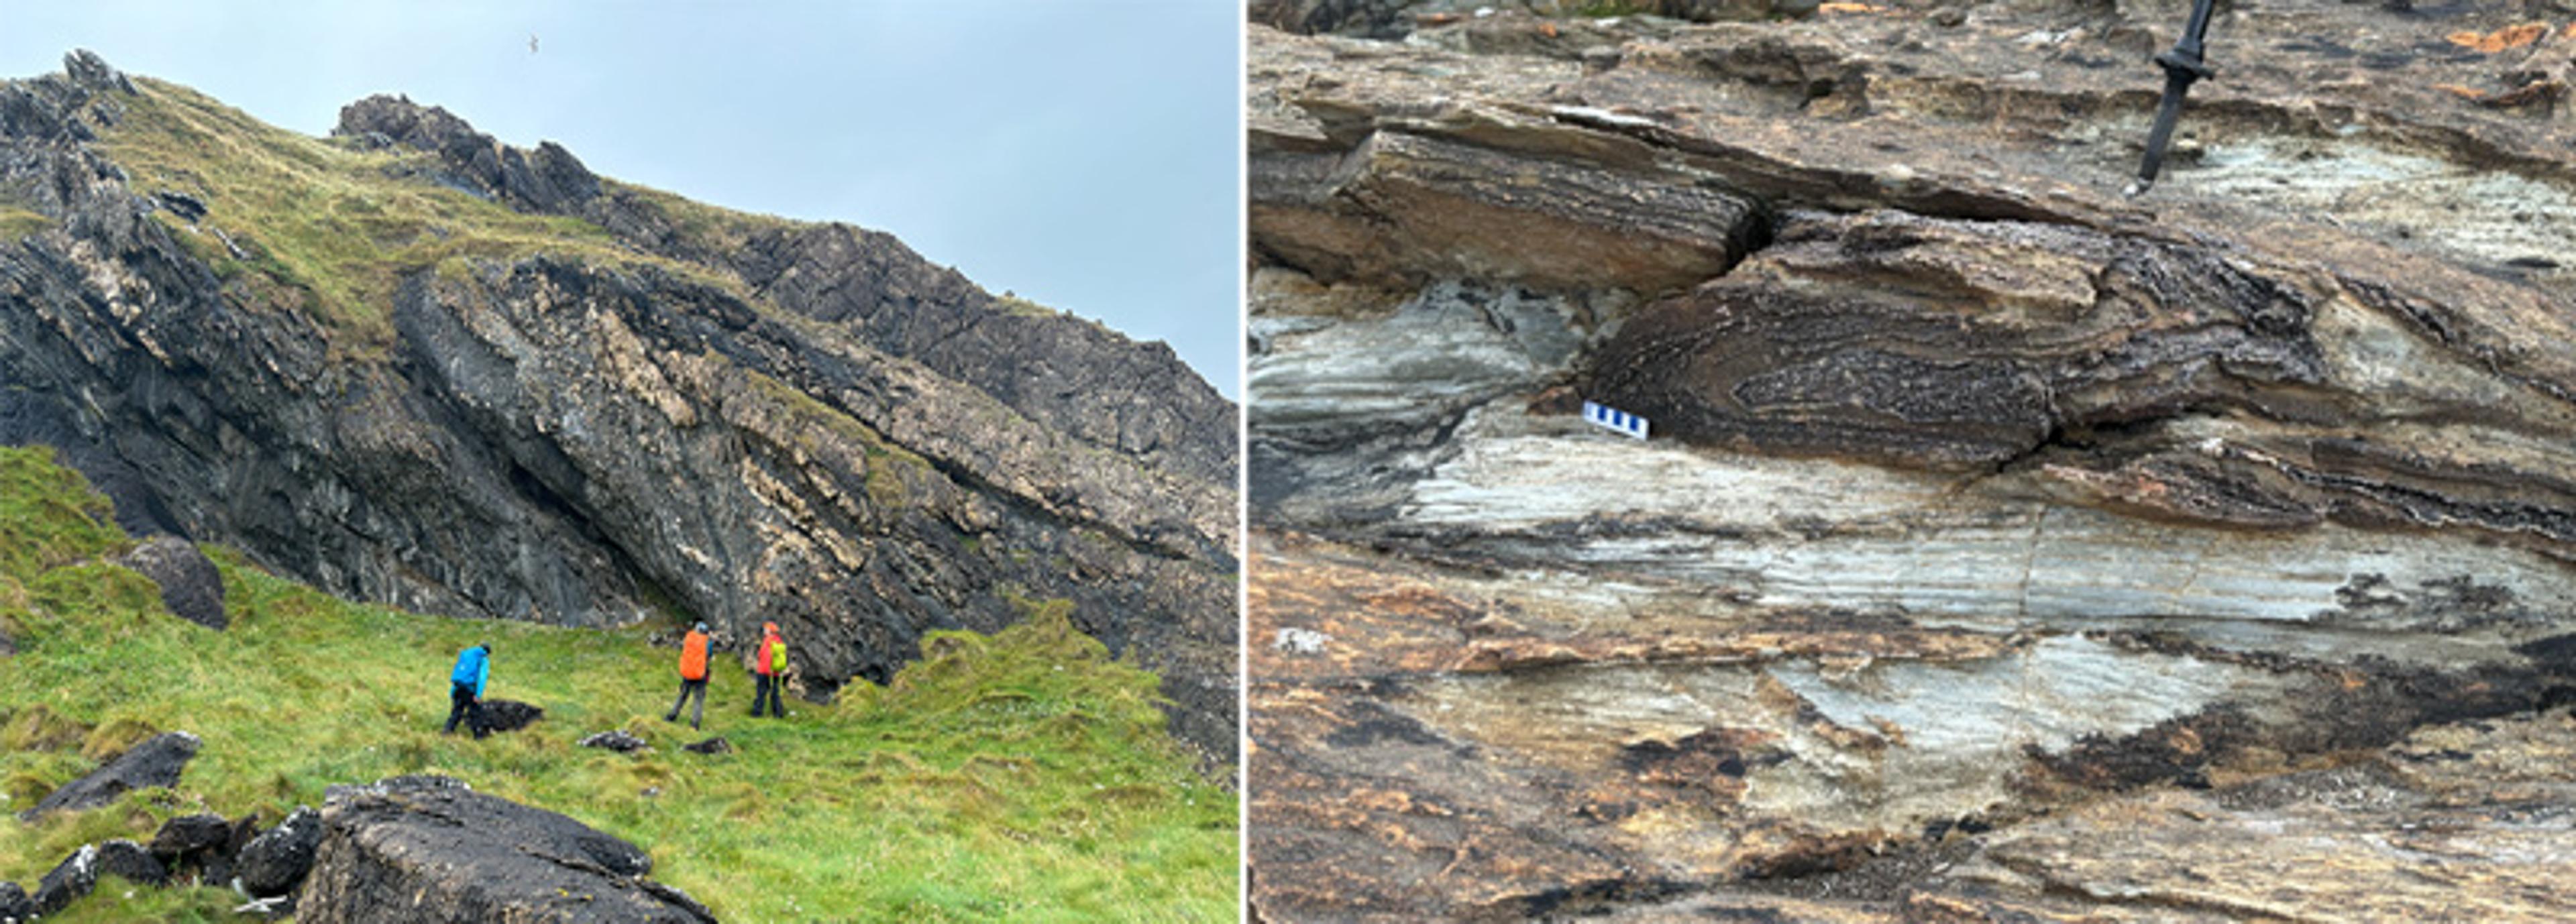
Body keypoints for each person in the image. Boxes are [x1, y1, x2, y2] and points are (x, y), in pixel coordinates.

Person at [665, 622, 711, 730]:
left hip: (687, 673)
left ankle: (672, 716)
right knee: (698, 699)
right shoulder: (707, 643)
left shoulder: (689, 639)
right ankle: (694, 724)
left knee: (682, 695)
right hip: (700, 674)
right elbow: (708, 655)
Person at [444, 642, 491, 739]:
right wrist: (478, 695)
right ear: (488, 653)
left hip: (459, 687)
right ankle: (479, 738)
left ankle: (446, 732)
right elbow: (482, 678)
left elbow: (459, 673)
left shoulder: (466, 654)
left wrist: (453, 691)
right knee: (476, 712)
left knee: (457, 711)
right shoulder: (483, 658)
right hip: (470, 689)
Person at [751, 622, 788, 718]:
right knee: (775, 693)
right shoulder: (778, 641)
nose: (764, 630)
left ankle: (757, 713)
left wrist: (767, 671)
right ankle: (778, 713)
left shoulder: (768, 641)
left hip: (765, 671)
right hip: (775, 672)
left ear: (770, 631)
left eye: (766, 629)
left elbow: (766, 657)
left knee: (761, 693)